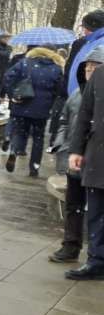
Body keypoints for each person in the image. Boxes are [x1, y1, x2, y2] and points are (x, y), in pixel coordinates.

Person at [50, 46, 103, 263]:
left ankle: (96, 254)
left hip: (96, 160)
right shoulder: (76, 95)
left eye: (95, 67)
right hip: (75, 158)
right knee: (74, 204)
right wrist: (62, 144)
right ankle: (70, 245)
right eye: (88, 67)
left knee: (96, 210)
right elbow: (65, 121)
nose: (90, 71)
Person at [67, 45, 104, 280]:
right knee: (97, 212)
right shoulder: (99, 75)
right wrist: (76, 150)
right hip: (98, 156)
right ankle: (97, 261)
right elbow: (85, 114)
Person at [3, 45, 64, 177]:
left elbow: (8, 77)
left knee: (19, 132)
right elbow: (59, 90)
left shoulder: (24, 63)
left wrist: (12, 94)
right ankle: (34, 168)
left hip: (21, 104)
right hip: (41, 109)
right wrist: (50, 102)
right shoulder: (56, 68)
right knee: (38, 138)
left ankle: (14, 151)